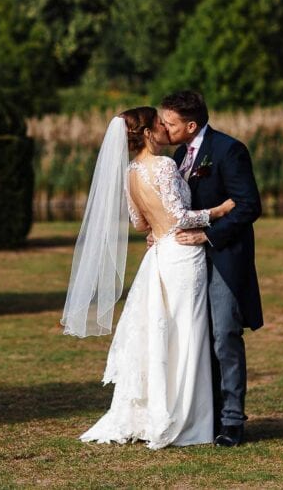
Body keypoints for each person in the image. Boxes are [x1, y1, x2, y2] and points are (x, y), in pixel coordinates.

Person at [61, 106, 235, 449]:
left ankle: (158, 409)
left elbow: (140, 223)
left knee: (163, 332)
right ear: (146, 133)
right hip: (183, 256)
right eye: (159, 124)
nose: (165, 129)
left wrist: (157, 230)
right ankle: (186, 419)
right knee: (186, 333)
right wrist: (220, 210)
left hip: (159, 255)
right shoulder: (166, 166)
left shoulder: (129, 173)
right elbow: (182, 217)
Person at [160, 90, 263, 447]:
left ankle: (233, 420)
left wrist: (209, 236)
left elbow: (249, 206)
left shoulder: (228, 150)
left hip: (223, 257)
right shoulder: (176, 155)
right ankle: (208, 415)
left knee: (224, 336)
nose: (163, 127)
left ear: (191, 125)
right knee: (196, 338)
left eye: (169, 123)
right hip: (186, 263)